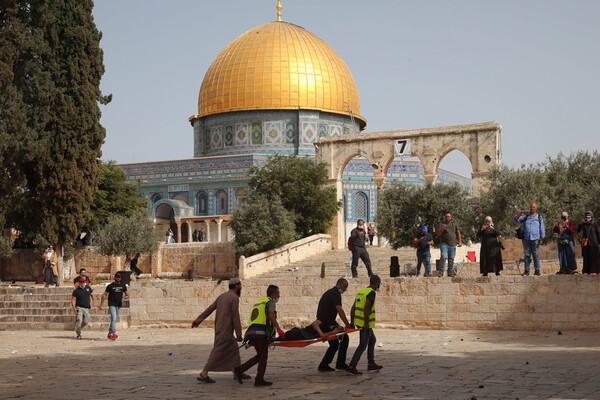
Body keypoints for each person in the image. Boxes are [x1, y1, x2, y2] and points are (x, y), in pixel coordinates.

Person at [192, 278, 244, 384]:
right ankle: (204, 372)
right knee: (218, 351)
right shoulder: (234, 298)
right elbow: (235, 317)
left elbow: (210, 309)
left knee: (234, 350)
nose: (241, 287)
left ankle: (237, 372)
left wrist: (198, 320)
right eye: (240, 285)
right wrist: (239, 334)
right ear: (236, 286)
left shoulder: (222, 296)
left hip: (219, 327)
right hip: (226, 330)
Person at [239, 285, 285, 387]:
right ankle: (259, 380)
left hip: (251, 332)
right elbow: (271, 315)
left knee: (260, 356)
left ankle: (239, 370)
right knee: (263, 357)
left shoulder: (259, 302)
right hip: (260, 333)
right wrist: (278, 328)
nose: (279, 295)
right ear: (273, 294)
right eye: (278, 293)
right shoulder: (271, 302)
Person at [313, 278, 353, 372]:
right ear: (338, 284)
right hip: (326, 323)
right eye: (344, 286)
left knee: (335, 344)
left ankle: (325, 364)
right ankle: (339, 364)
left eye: (346, 287)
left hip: (327, 321)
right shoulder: (335, 294)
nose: (345, 289)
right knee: (344, 338)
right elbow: (340, 310)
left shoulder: (332, 292)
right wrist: (347, 324)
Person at [346, 275, 383, 375]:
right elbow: (366, 308)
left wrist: (352, 322)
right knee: (362, 345)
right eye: (379, 283)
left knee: (373, 340)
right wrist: (366, 323)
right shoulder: (371, 293)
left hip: (359, 322)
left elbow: (353, 308)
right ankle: (352, 366)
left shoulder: (361, 292)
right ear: (377, 283)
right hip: (365, 324)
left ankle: (371, 363)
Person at [514, 203, 545, 276]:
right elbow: (515, 219)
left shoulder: (539, 217)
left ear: (536, 208)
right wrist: (519, 214)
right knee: (527, 254)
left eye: (533, 207)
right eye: (531, 207)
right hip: (526, 238)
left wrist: (542, 238)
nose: (532, 208)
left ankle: (537, 270)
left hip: (535, 238)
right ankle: (526, 271)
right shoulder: (525, 216)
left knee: (535, 254)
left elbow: (542, 228)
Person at [99, 272, 129, 340]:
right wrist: (101, 305)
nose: (118, 278)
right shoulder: (110, 286)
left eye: (119, 277)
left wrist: (126, 296)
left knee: (114, 320)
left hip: (119, 305)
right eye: (117, 277)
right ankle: (114, 333)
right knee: (114, 318)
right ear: (114, 278)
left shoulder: (123, 285)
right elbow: (104, 295)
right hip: (112, 304)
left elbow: (127, 293)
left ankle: (110, 334)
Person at [436, 212, 462, 277]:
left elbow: (458, 232)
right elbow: (438, 234)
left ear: (451, 217)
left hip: (452, 244)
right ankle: (441, 272)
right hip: (444, 244)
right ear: (445, 217)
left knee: (451, 259)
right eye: (446, 216)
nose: (447, 218)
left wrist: (460, 241)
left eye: (448, 216)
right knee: (444, 257)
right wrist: (443, 228)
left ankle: (449, 272)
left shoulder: (454, 224)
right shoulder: (442, 224)